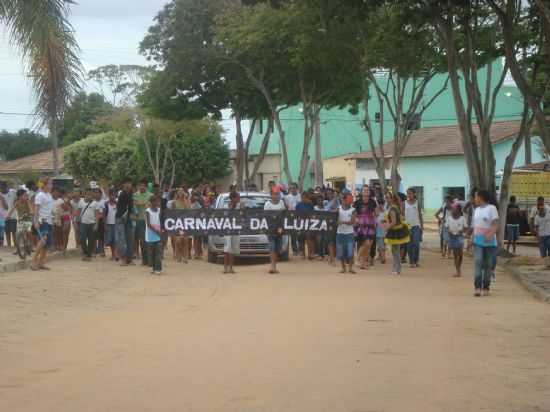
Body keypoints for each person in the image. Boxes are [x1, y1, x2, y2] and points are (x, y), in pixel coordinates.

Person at [470, 190, 499, 297]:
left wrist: (490, 233)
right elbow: (475, 226)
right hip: (478, 241)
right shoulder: (476, 210)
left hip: (489, 242)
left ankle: (486, 287)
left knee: (488, 265)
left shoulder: (491, 208)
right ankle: (477, 287)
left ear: (481, 197)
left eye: (476, 196)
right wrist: (471, 239)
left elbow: (495, 223)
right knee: (478, 261)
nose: (474, 198)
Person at [385, 192, 410, 275]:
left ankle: (396, 269)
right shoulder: (396, 207)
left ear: (392, 199)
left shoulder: (392, 209)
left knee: (395, 251)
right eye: (386, 197)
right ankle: (397, 268)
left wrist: (386, 227)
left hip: (394, 231)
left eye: (388, 198)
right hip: (396, 230)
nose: (386, 199)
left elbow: (394, 222)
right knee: (395, 250)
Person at [31, 179, 54, 271]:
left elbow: (49, 208)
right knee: (43, 239)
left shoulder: (49, 195)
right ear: (44, 185)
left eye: (51, 184)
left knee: (46, 243)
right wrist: (36, 221)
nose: (51, 186)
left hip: (49, 221)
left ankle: (41, 263)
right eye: (50, 184)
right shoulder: (40, 195)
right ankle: (33, 261)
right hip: (42, 220)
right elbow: (36, 209)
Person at [264, 186, 286, 274]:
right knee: (272, 247)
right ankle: (272, 266)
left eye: (277, 194)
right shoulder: (267, 204)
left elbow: (284, 214)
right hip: (270, 229)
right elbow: (265, 217)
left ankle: (274, 266)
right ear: (271, 195)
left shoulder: (281, 202)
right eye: (274, 194)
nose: (276, 196)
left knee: (278, 248)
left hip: (280, 229)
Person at [354, 186, 377, 270]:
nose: (366, 191)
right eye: (364, 190)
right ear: (361, 192)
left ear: (370, 192)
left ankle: (363, 263)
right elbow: (354, 214)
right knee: (366, 243)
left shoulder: (373, 202)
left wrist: (376, 220)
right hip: (361, 224)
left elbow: (376, 212)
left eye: (367, 190)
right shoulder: (357, 202)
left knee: (369, 245)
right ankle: (357, 258)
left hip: (371, 223)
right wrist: (356, 221)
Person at [78, 189, 102, 261]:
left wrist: (96, 224)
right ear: (85, 194)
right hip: (83, 223)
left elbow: (97, 214)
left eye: (91, 195)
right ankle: (85, 252)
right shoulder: (81, 202)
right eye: (88, 194)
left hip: (92, 223)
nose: (89, 196)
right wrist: (76, 222)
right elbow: (78, 213)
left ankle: (89, 255)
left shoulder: (95, 203)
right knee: (82, 238)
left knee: (91, 240)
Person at [116, 178, 135, 266]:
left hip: (128, 219)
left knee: (130, 238)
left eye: (130, 183)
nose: (128, 185)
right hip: (121, 218)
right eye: (126, 183)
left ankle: (129, 258)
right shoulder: (122, 194)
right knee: (122, 239)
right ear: (123, 185)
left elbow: (131, 208)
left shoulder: (130, 194)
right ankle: (123, 258)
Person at [336, 192, 357, 274]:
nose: (350, 201)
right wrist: (339, 222)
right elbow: (335, 220)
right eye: (348, 199)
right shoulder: (338, 209)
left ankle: (350, 268)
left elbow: (352, 222)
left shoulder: (353, 210)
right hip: (340, 233)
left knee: (350, 251)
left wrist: (341, 222)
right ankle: (343, 267)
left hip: (349, 233)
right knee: (341, 252)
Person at [446, 202, 467, 277]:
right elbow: (447, 227)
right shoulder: (449, 218)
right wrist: (449, 231)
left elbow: (465, 227)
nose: (452, 210)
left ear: (458, 210)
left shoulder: (462, 218)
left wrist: (462, 231)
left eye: (454, 209)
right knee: (455, 255)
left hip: (460, 237)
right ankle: (458, 271)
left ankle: (459, 267)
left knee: (460, 254)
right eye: (452, 209)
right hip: (452, 237)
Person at [133, 178, 150, 264]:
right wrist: (144, 203)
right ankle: (144, 259)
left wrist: (140, 203)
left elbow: (149, 205)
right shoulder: (135, 195)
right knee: (142, 240)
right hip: (139, 219)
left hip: (149, 220)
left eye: (144, 186)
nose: (142, 187)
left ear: (146, 187)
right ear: (138, 186)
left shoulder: (150, 195)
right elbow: (135, 204)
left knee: (148, 240)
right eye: (140, 185)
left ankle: (148, 258)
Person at [405, 188, 423, 268]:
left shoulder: (417, 203)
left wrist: (421, 226)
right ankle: (411, 261)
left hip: (416, 226)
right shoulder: (404, 203)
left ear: (414, 194)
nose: (409, 195)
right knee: (409, 245)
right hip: (407, 227)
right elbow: (402, 215)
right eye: (408, 193)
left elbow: (420, 214)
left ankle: (416, 260)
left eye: (410, 193)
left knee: (416, 244)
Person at [171, 188, 190, 263]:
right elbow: (171, 213)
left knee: (185, 240)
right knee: (178, 240)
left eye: (182, 192)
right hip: (177, 223)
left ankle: (185, 257)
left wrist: (185, 199)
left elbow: (189, 210)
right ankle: (178, 255)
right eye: (179, 192)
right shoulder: (174, 202)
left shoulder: (187, 201)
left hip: (185, 223)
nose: (181, 193)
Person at [223, 191, 240, 274]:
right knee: (227, 249)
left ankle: (231, 267)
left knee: (233, 249)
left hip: (235, 229)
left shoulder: (239, 206)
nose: (239, 199)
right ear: (233, 198)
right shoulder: (226, 206)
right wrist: (231, 208)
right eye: (237, 197)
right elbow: (224, 215)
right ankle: (225, 268)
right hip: (228, 229)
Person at [145, 195, 163, 275]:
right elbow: (148, 224)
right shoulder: (147, 211)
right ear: (151, 202)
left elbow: (161, 220)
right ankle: (153, 267)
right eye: (155, 201)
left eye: (158, 201)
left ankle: (158, 268)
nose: (157, 203)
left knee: (158, 252)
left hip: (158, 233)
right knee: (151, 252)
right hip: (150, 233)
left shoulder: (159, 210)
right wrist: (156, 231)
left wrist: (161, 230)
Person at [296, 192, 315, 259]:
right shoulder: (298, 205)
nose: (303, 199)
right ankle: (303, 254)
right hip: (301, 223)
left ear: (307, 198)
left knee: (309, 238)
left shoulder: (310, 204)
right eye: (302, 197)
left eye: (305, 197)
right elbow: (296, 214)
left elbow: (313, 213)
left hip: (309, 223)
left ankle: (310, 254)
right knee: (301, 239)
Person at [285, 183, 301, 256]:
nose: (293, 189)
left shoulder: (300, 196)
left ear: (297, 188)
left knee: (300, 234)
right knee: (293, 234)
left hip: (299, 217)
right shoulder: (287, 197)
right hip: (291, 218)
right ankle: (294, 250)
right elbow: (286, 207)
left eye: (294, 188)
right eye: (291, 188)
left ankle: (300, 250)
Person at [533, 202, 550, 268]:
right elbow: (536, 227)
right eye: (540, 209)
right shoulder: (537, 217)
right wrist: (537, 237)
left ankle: (548, 264)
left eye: (543, 209)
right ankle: (545, 265)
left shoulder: (548, 215)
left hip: (549, 235)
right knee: (543, 252)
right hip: (541, 237)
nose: (542, 210)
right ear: (538, 210)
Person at [1, 181, 17, 248]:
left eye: (3, 187)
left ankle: (16, 246)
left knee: (13, 232)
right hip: (3, 216)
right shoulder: (0, 195)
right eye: (1, 187)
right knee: (7, 232)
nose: (2, 188)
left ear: (6, 186)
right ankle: (9, 246)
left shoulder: (13, 192)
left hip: (12, 216)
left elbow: (16, 201)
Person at [104, 189, 118, 260]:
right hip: (109, 224)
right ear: (109, 196)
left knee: (116, 240)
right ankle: (113, 254)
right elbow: (104, 215)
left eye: (114, 195)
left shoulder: (117, 204)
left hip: (116, 224)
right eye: (111, 195)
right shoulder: (106, 204)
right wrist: (105, 225)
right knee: (111, 240)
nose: (113, 197)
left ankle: (116, 254)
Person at [190, 191, 204, 259]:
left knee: (199, 238)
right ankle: (196, 252)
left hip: (198, 221)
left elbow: (201, 210)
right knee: (195, 238)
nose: (194, 197)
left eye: (195, 196)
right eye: (193, 196)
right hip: (192, 222)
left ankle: (199, 252)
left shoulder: (197, 203)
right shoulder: (189, 203)